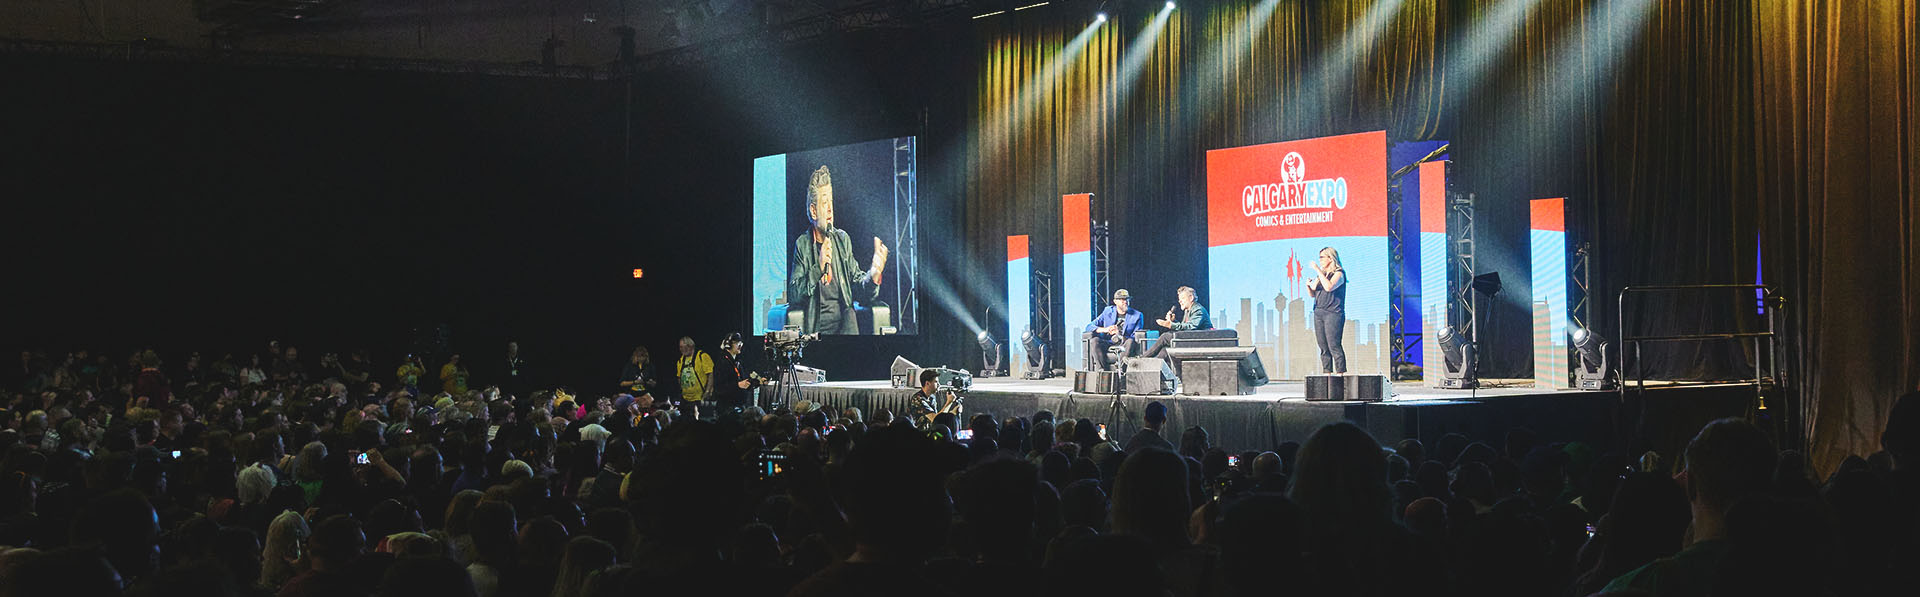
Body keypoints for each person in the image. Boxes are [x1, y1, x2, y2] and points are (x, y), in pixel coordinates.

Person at [786, 165, 890, 335]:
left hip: (845, 328)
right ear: (813, 211)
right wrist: (818, 268)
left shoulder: (842, 239)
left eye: (831, 202)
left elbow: (858, 287)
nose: (829, 209)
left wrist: (873, 274)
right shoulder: (803, 245)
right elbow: (794, 294)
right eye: (824, 202)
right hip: (817, 332)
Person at [1305, 247, 1347, 374]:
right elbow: (1313, 294)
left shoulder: (1339, 273)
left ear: (1330, 258)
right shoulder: (1322, 275)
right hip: (1319, 312)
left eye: (1322, 257)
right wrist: (1308, 285)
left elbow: (1329, 287)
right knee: (1323, 347)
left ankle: (1340, 375)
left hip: (1333, 313)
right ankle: (1327, 375)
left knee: (1334, 345)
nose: (1320, 260)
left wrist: (1318, 270)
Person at [1142, 286, 1212, 360]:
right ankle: (1153, 368)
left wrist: (1170, 325)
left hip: (1198, 342)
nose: (1180, 301)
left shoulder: (1198, 310)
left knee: (1165, 337)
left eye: (1182, 298)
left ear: (1191, 298)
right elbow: (1184, 328)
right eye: (1179, 299)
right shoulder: (1188, 310)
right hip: (1190, 339)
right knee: (1164, 351)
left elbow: (1191, 327)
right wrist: (1173, 321)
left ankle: (1142, 359)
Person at [1084, 289, 1145, 371]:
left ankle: (1120, 369)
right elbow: (1089, 326)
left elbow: (1134, 337)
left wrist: (1119, 334)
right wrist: (1105, 329)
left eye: (1127, 299)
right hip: (1108, 342)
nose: (1126, 302)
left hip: (1124, 344)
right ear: (1115, 301)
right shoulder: (1107, 311)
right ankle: (1102, 371)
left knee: (1130, 341)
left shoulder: (1137, 315)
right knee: (1094, 341)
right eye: (1122, 299)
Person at [710, 333, 755, 415]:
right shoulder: (722, 362)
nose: (740, 346)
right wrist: (737, 385)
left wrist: (757, 382)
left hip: (737, 407)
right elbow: (719, 388)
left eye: (741, 343)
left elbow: (742, 381)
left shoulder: (736, 362)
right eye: (737, 343)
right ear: (728, 345)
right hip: (727, 410)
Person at [674, 337, 713, 420]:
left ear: (692, 346)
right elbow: (679, 377)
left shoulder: (702, 356)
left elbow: (710, 374)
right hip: (686, 400)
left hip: (700, 399)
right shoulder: (680, 361)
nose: (682, 349)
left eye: (685, 346)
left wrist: (708, 391)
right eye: (680, 347)